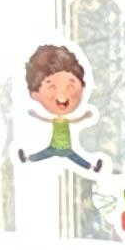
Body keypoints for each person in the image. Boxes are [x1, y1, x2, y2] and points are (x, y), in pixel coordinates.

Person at [19, 43, 101, 175]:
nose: (62, 96)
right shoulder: (55, 119)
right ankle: (27, 158)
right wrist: (35, 115)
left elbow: (75, 120)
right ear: (34, 95)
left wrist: (86, 116)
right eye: (51, 87)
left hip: (66, 148)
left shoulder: (66, 120)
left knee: (76, 159)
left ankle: (92, 167)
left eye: (71, 85)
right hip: (55, 147)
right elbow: (46, 119)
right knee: (42, 154)